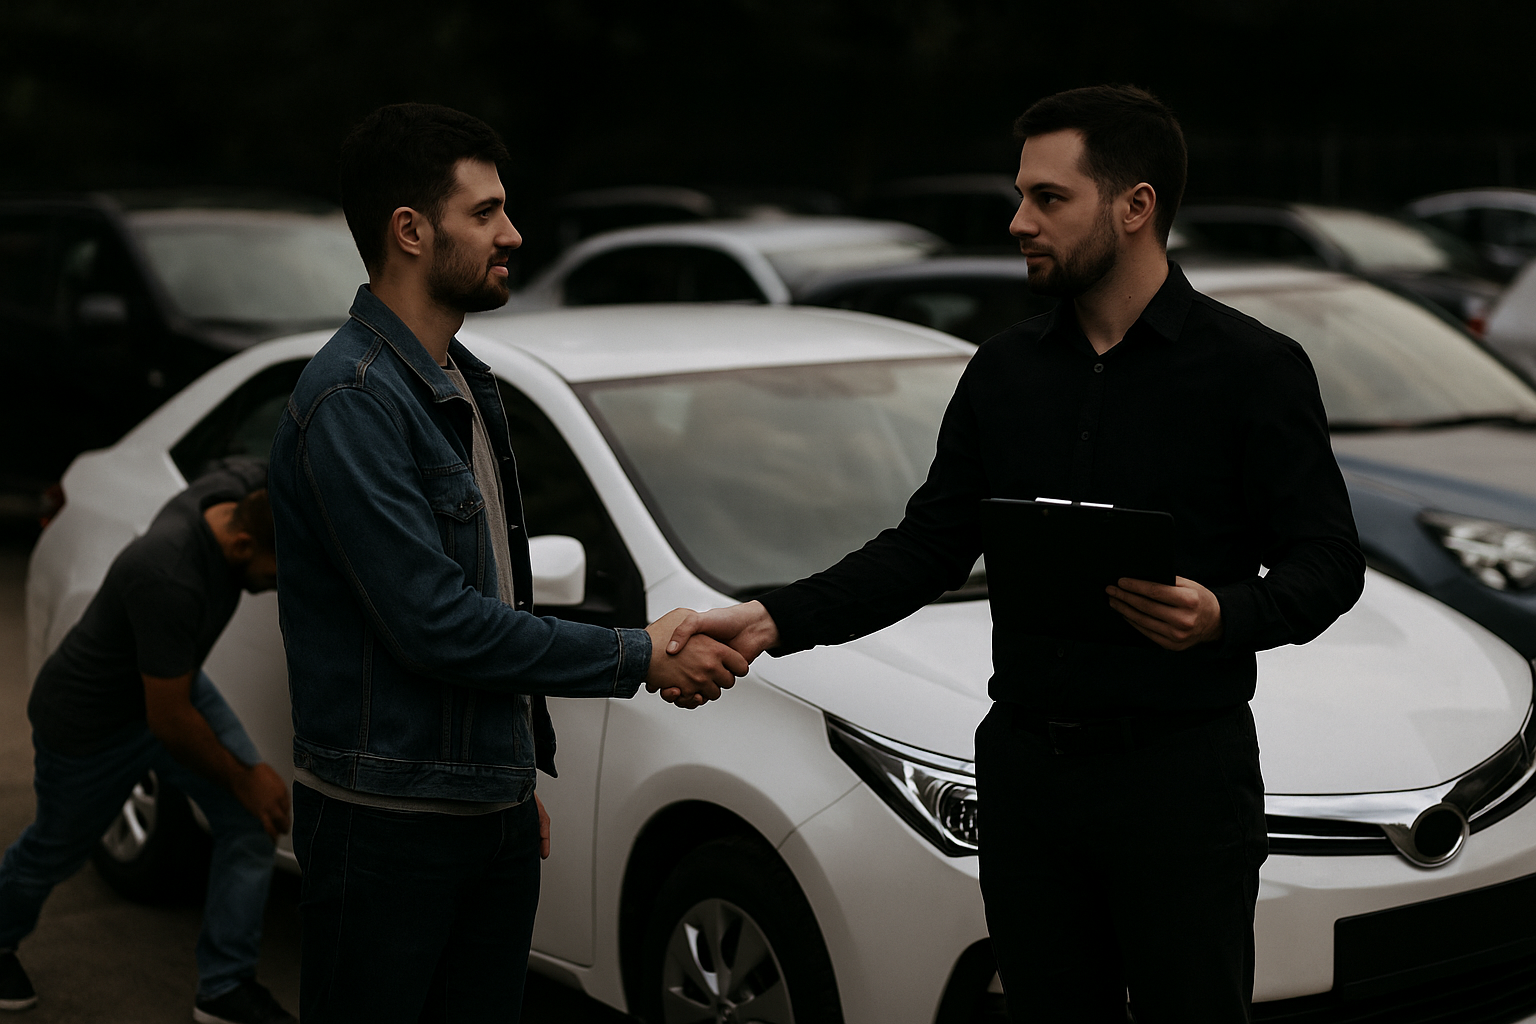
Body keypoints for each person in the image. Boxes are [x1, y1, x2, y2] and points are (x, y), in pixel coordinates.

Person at [664, 85, 1366, 1022]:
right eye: (1022, 195)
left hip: (1181, 782)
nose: (1018, 221)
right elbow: (927, 546)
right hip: (1029, 779)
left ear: (1136, 205)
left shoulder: (1254, 369)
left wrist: (1226, 615)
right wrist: (772, 617)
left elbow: (1330, 560)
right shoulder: (1003, 370)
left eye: (1048, 198)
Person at [267, 102, 745, 1024]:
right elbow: (434, 622)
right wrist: (640, 654)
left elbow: (491, 594)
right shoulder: (353, 401)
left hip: (478, 812)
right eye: (484, 212)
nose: (513, 233)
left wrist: (507, 778)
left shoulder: (465, 382)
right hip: (389, 825)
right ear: (410, 230)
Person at [0, 461, 296, 1024]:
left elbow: (287, 461)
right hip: (92, 723)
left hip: (169, 685)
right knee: (53, 850)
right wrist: (245, 775)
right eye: (277, 571)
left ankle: (224, 987)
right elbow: (171, 722)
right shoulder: (169, 573)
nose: (283, 582)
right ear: (239, 545)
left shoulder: (236, 489)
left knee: (251, 823)